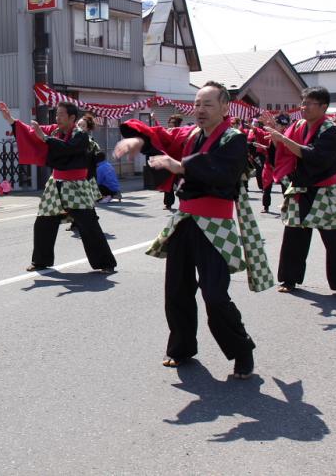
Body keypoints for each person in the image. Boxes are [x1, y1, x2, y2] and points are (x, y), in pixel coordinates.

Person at [114, 81, 273, 379]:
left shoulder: (234, 138)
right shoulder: (191, 135)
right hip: (185, 221)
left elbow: (222, 172)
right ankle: (181, 347)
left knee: (214, 294)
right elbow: (162, 136)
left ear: (225, 107)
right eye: (197, 104)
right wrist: (139, 141)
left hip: (216, 225)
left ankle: (242, 350)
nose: (200, 110)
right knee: (177, 290)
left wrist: (181, 165)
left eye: (207, 104)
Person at [0, 100, 117, 273]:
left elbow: (67, 149)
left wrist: (45, 138)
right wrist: (11, 120)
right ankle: (41, 261)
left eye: (61, 115)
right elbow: (32, 133)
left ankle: (105, 262)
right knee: (43, 221)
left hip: (76, 185)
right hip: (55, 184)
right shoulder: (55, 130)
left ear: (72, 118)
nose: (58, 118)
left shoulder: (80, 135)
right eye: (57, 114)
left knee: (88, 224)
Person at [265, 87, 336, 299]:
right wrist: (276, 139)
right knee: (294, 236)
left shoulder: (331, 131)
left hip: (326, 189)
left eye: (309, 103)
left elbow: (317, 158)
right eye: (303, 103)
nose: (303, 107)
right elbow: (282, 152)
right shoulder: (298, 126)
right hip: (301, 186)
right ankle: (289, 279)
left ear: (323, 107)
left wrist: (283, 140)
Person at [162, 115, 184, 210]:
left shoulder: (181, 133)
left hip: (179, 163)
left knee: (181, 184)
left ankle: (183, 203)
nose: (170, 125)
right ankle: (168, 204)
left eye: (172, 123)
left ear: (177, 124)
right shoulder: (167, 132)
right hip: (169, 163)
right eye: (169, 123)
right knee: (168, 184)